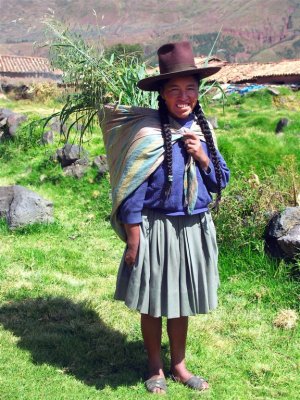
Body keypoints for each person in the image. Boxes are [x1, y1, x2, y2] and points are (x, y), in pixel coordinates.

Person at [102, 41, 230, 394]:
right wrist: (133, 236)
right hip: (155, 228)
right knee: (153, 302)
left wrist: (203, 157)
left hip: (192, 229)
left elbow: (221, 180)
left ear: (199, 92)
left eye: (190, 88)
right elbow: (131, 189)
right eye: (174, 89)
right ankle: (155, 368)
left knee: (181, 302)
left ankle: (179, 365)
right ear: (161, 93)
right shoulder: (147, 135)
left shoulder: (203, 133)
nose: (183, 96)